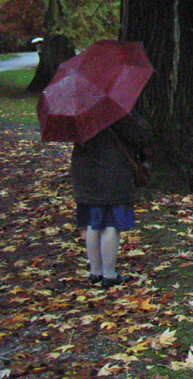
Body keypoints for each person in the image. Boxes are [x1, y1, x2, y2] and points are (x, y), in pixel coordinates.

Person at [70, 112, 152, 288]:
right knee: (111, 225)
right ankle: (109, 274)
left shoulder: (81, 114)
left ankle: (95, 272)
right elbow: (141, 137)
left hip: (85, 174)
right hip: (114, 173)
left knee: (93, 224)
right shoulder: (119, 114)